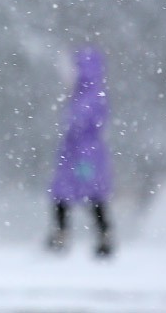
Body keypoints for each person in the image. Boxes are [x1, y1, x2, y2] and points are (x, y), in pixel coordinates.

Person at [47, 46, 114, 257]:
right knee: (78, 195)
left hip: (84, 156)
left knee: (85, 194)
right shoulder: (86, 94)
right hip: (79, 154)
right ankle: (99, 236)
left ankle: (70, 235)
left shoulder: (88, 97)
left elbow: (81, 124)